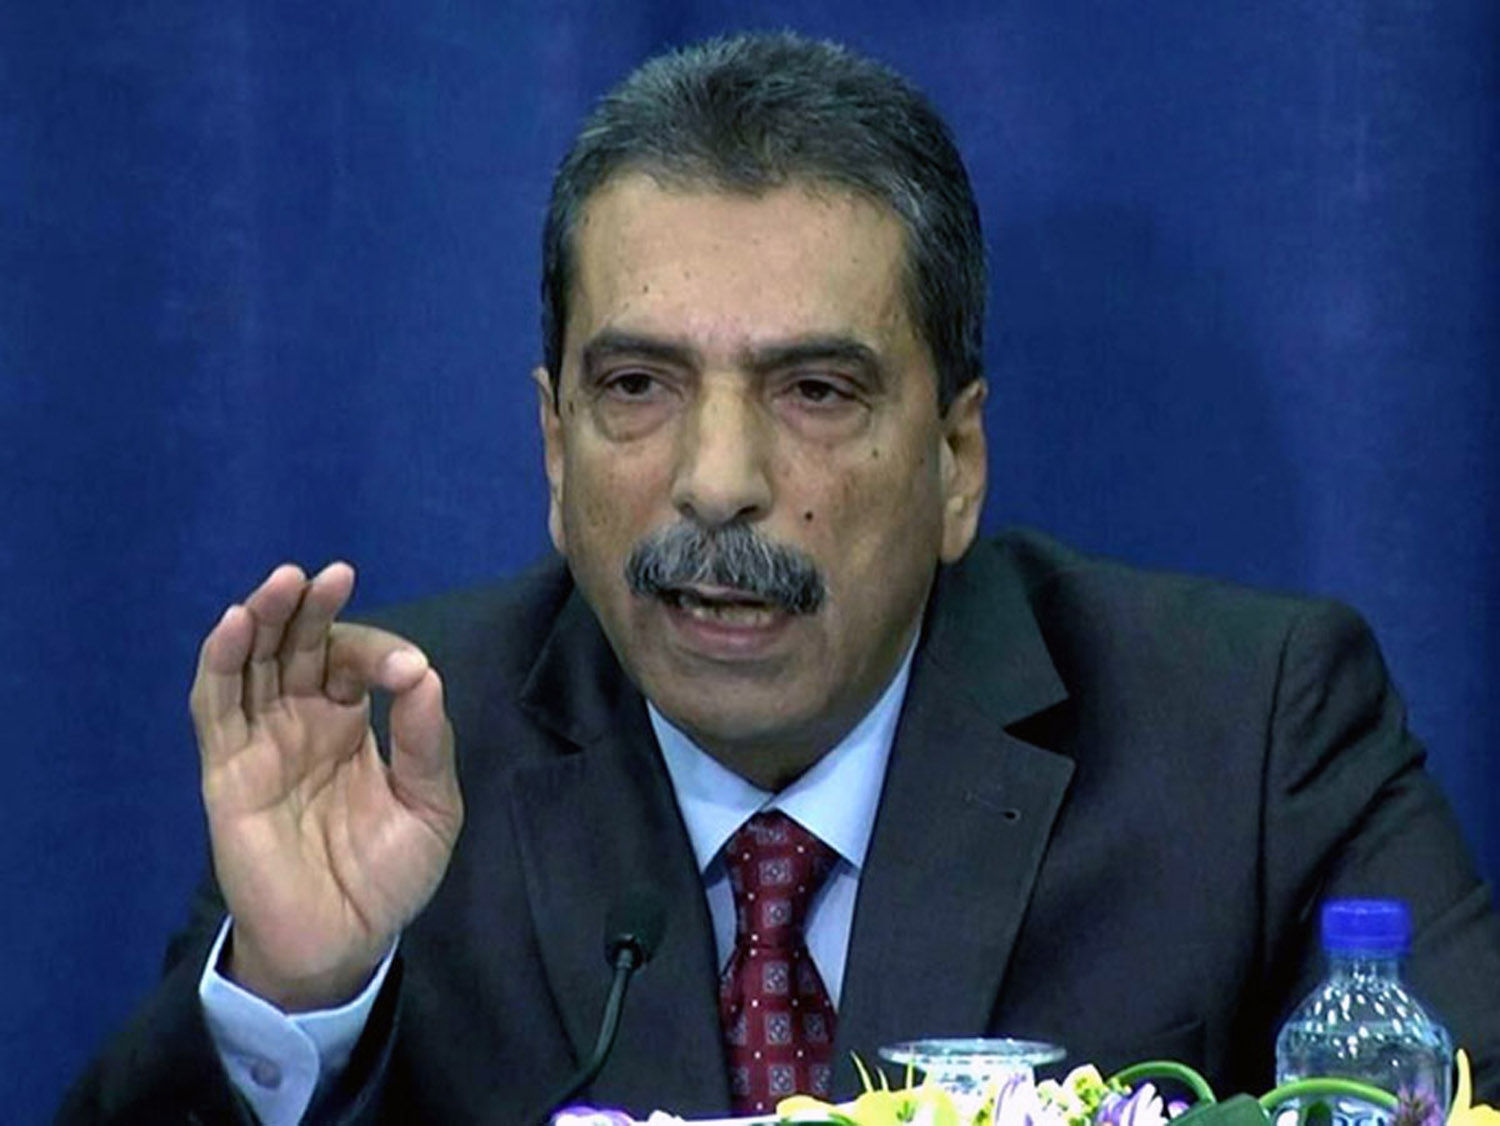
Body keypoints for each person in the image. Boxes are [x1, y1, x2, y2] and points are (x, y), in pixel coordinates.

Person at [64, 31, 1500, 1125]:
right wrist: (295, 998)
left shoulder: (1246, 739)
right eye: (638, 386)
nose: (716, 479)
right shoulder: (398, 751)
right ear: (554, 448)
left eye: (815, 389)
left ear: (956, 459)